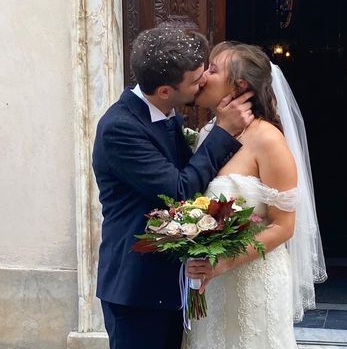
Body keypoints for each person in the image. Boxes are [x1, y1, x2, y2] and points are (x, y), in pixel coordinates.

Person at [92, 28, 254, 349]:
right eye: (197, 79)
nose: (205, 80)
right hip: (136, 288)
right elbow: (179, 190)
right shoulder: (120, 127)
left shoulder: (168, 112)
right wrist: (223, 131)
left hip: (170, 285)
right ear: (165, 90)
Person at [184, 41, 327, 349]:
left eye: (213, 69)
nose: (203, 76)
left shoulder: (268, 140)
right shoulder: (210, 132)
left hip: (253, 281)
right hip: (212, 286)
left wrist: (223, 261)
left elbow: (283, 226)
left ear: (240, 85)